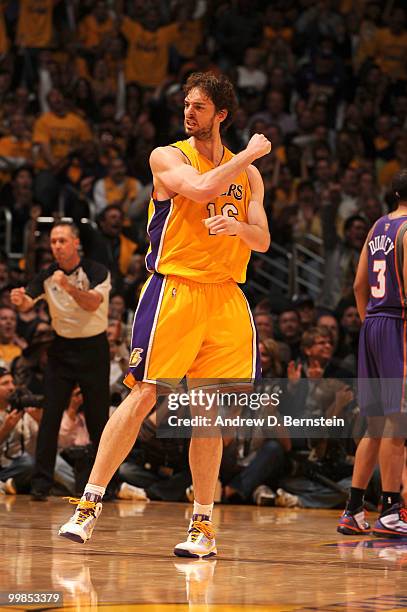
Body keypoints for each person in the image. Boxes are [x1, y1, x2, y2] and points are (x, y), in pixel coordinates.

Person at [58, 71, 271, 557]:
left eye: (198, 106)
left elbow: (263, 240)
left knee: (209, 412)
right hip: (175, 289)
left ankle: (202, 526)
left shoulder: (249, 176)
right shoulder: (168, 156)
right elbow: (195, 191)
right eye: (186, 105)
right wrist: (247, 155)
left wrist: (237, 226)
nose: (188, 112)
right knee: (143, 395)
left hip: (226, 297)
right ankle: (89, 506)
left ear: (221, 114)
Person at [10, 221, 111, 501]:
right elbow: (27, 302)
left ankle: (99, 487)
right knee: (50, 416)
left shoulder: (96, 271)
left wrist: (67, 287)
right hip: (62, 348)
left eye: (62, 241)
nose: (56, 246)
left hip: (94, 349)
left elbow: (92, 303)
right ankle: (41, 484)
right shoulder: (45, 274)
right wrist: (18, 299)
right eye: (53, 241)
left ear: (75, 242)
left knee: (98, 420)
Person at [337, 169, 407, 537]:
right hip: (398, 324)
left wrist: (368, 323)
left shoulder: (378, 226)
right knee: (397, 423)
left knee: (377, 424)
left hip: (374, 324)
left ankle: (353, 510)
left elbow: (358, 283)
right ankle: (392, 510)